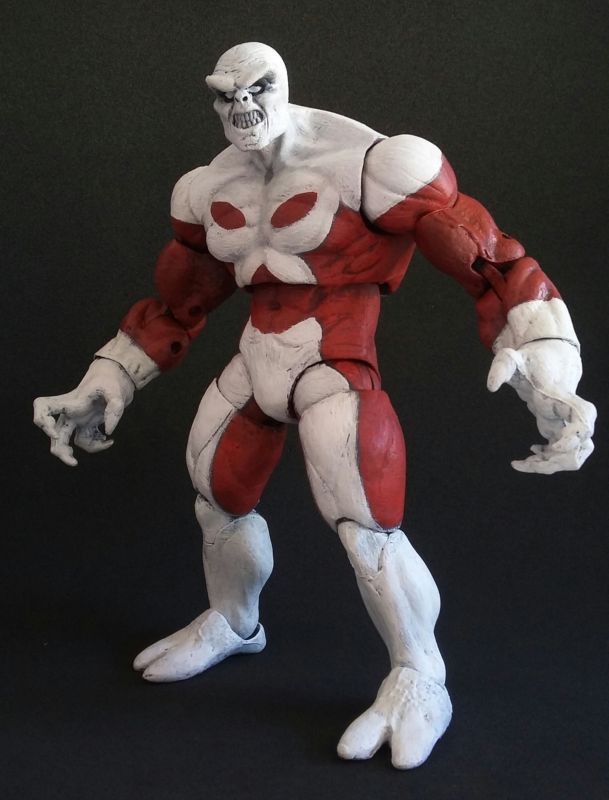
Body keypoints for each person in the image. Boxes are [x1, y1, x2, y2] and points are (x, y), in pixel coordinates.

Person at [33, 42, 596, 769]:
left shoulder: (373, 164)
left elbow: (494, 265)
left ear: (282, 84)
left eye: (256, 89)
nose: (242, 107)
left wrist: (552, 373)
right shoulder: (205, 188)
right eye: (226, 95)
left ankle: (421, 674)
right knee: (215, 498)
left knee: (366, 527)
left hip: (336, 364)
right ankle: (235, 624)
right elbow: (179, 303)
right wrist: (109, 376)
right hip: (255, 361)